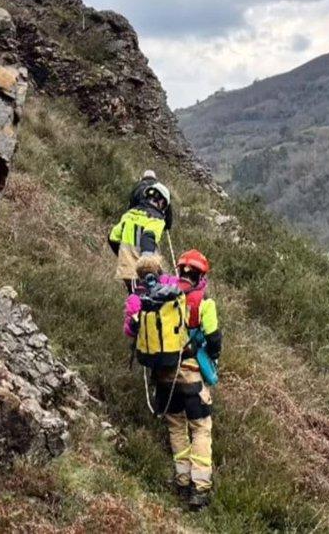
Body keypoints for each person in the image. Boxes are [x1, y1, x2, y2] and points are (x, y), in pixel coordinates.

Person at [125, 249, 221, 510]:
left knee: (176, 426)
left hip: (163, 375)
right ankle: (200, 488)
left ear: (178, 271)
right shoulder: (204, 302)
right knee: (200, 428)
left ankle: (181, 480)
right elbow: (214, 340)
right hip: (190, 374)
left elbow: (134, 328)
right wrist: (210, 358)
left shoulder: (158, 296)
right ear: (201, 275)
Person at [109, 181, 170, 292]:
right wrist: (146, 264)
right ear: (162, 202)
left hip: (127, 271)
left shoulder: (129, 214)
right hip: (143, 271)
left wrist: (123, 254)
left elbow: (113, 237)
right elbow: (148, 237)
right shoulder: (156, 219)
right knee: (147, 302)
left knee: (136, 302)